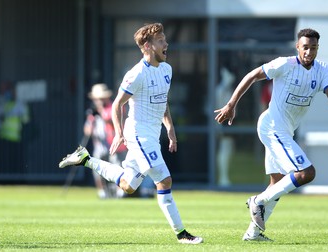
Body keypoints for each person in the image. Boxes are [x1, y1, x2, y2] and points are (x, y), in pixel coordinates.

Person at [59, 23, 203, 244]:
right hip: (138, 134)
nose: (166, 44)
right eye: (161, 40)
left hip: (153, 135)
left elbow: (163, 102)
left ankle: (86, 160)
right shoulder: (136, 74)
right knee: (164, 181)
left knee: (128, 185)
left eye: (165, 39)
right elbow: (117, 104)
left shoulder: (167, 70)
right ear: (147, 46)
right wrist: (118, 133)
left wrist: (170, 128)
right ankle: (182, 234)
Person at [214, 28, 328, 242]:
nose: (309, 52)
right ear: (297, 47)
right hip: (272, 127)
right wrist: (231, 104)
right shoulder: (285, 64)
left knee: (278, 181)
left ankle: (253, 233)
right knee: (306, 172)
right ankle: (258, 201)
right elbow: (253, 75)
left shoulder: (322, 70)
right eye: (305, 47)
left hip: (284, 131)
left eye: (314, 48)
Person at [84, 83, 127, 199]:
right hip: (100, 146)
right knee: (97, 168)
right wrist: (92, 118)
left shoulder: (114, 107)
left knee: (117, 168)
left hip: (115, 145)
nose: (99, 101)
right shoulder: (93, 112)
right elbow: (87, 131)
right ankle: (103, 191)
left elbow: (111, 121)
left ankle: (120, 192)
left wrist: (100, 112)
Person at [215, 67, 236, 186]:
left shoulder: (227, 89)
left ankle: (225, 176)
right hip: (222, 123)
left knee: (228, 149)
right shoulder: (220, 90)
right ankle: (223, 177)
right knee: (224, 148)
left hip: (229, 122)